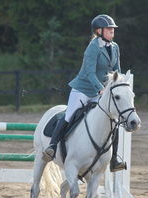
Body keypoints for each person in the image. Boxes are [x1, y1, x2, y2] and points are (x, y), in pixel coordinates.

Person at [43, 14, 127, 172]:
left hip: (101, 90)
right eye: (109, 29)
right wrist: (100, 89)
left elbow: (117, 70)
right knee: (69, 115)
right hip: (83, 89)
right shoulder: (93, 47)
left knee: (112, 121)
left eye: (112, 29)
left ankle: (114, 159)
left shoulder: (115, 47)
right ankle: (52, 147)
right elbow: (89, 73)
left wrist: (118, 85)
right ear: (98, 31)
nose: (112, 31)